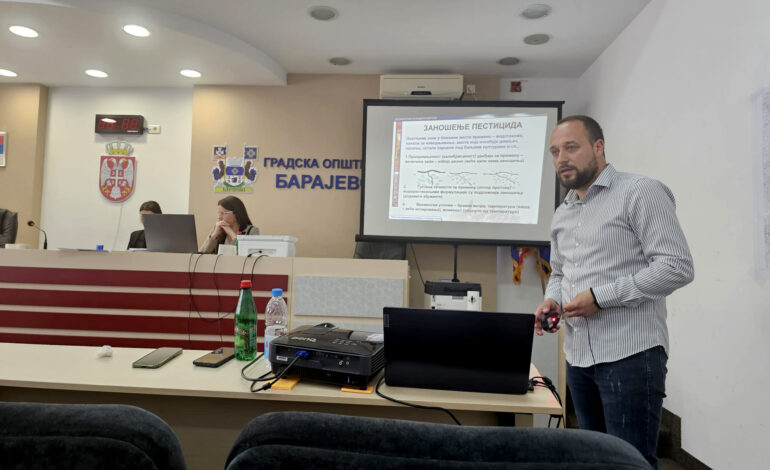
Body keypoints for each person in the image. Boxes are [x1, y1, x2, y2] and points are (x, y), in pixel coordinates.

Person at [535, 115, 693, 469]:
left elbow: (677, 266)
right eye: (555, 151)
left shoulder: (640, 191)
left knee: (629, 463)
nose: (561, 158)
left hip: (630, 354)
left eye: (571, 147)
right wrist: (552, 300)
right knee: (595, 460)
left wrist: (600, 297)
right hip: (578, 357)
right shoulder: (563, 212)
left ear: (599, 147)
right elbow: (559, 272)